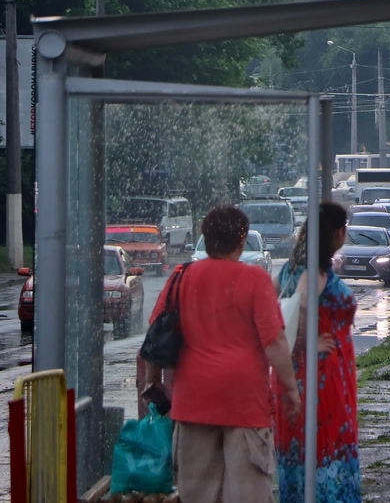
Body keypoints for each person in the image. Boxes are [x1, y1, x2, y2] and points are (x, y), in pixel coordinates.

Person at [145, 204, 299, 502]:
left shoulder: (180, 277)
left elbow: (156, 334)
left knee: (198, 493)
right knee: (247, 492)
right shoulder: (254, 279)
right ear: (242, 239)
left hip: (193, 401)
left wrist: (152, 382)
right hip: (245, 402)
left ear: (206, 236)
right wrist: (291, 390)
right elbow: (275, 342)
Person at [274, 202, 361, 502]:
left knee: (299, 449)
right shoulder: (314, 270)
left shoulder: (290, 266)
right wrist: (312, 341)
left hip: (298, 368)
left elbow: (278, 306)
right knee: (326, 444)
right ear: (337, 232)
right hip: (321, 373)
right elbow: (302, 301)